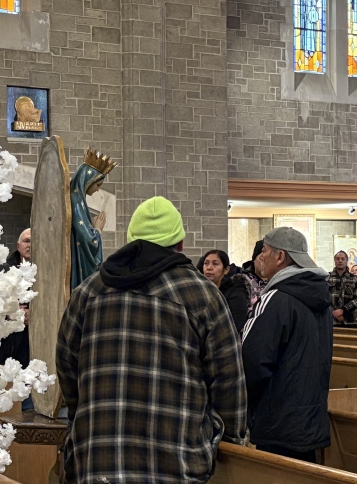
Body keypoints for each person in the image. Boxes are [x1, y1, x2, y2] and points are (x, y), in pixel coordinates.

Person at [56, 197, 247, 483]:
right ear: (180, 244)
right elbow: (228, 381)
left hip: (97, 461)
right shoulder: (202, 295)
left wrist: (81, 418)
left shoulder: (88, 292)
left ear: (131, 240)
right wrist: (230, 443)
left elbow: (66, 367)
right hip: (179, 462)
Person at [241, 227, 333, 463]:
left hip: (277, 419)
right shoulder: (321, 298)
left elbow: (252, 360)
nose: (261, 257)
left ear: (280, 257)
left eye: (265, 251)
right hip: (310, 415)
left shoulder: (276, 298)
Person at [0, 228, 33, 410]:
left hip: (31, 349)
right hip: (4, 347)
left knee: (29, 404)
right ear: (18, 245)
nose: (30, 245)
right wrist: (6, 312)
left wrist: (34, 316)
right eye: (27, 241)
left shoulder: (47, 275)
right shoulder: (0, 272)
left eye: (34, 242)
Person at [70, 148, 118, 289]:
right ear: (87, 180)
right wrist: (97, 230)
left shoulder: (78, 200)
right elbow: (87, 239)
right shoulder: (76, 202)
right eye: (98, 185)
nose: (98, 189)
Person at [201, 249, 251, 333]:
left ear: (226, 269)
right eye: (206, 263)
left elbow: (235, 325)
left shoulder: (236, 292)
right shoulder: (200, 290)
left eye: (215, 264)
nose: (209, 268)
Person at [328, 250, 357, 327]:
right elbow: (324, 298)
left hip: (349, 319)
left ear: (346, 261)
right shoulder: (327, 277)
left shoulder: (354, 278)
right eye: (337, 259)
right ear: (334, 261)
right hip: (331, 320)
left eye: (342, 259)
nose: (340, 261)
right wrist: (335, 313)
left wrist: (343, 310)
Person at [242, 240, 267, 313]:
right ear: (254, 260)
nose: (264, 262)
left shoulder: (277, 280)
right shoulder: (243, 280)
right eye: (261, 258)